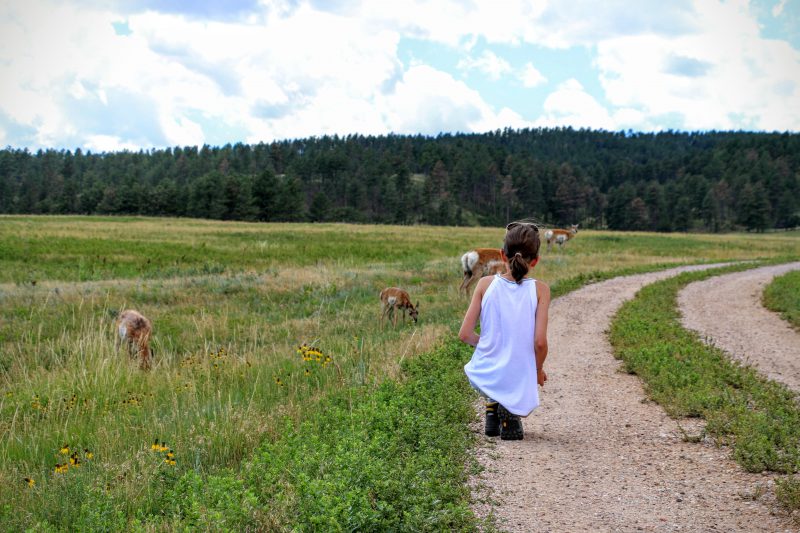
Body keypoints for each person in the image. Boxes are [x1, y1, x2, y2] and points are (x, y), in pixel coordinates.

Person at [458, 222, 550, 440]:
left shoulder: (484, 284)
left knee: (498, 363)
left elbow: (464, 334)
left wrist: (492, 346)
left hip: (487, 370)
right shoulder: (540, 290)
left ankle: (492, 405)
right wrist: (537, 370)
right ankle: (510, 413)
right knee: (517, 366)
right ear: (535, 260)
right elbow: (539, 343)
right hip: (517, 371)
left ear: (501, 254)